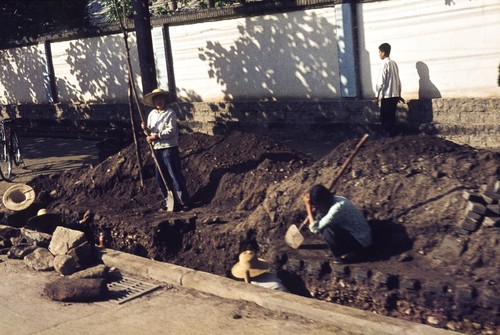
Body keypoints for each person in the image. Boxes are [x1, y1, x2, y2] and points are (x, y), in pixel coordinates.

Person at [141, 88, 190, 212]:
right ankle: (169, 201)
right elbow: (150, 130)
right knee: (160, 177)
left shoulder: (170, 113)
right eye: (156, 99)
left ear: (165, 100)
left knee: (175, 175)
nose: (159, 101)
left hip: (169, 148)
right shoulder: (151, 114)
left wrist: (156, 136)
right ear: (153, 101)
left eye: (161, 98)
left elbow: (171, 130)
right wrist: (145, 128)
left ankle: (185, 202)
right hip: (156, 149)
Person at [303, 184, 372, 264]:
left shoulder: (337, 209)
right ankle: (342, 249)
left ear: (322, 202)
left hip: (361, 242)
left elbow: (315, 228)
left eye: (316, 205)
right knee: (319, 216)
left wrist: (308, 207)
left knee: (326, 230)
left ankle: (350, 254)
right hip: (357, 235)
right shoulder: (336, 199)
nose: (315, 208)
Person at [375, 42, 403, 137]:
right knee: (391, 117)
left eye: (379, 52)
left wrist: (376, 95)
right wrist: (398, 94)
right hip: (394, 95)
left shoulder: (384, 64)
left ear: (383, 52)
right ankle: (392, 136)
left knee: (384, 118)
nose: (379, 54)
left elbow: (380, 82)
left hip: (386, 95)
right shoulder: (394, 63)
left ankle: (387, 137)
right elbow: (397, 80)